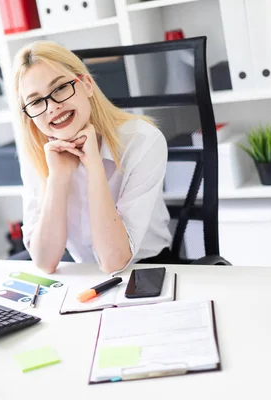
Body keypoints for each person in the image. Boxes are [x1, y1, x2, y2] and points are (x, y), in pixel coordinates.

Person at [12, 40, 173, 275]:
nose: (52, 108)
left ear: (86, 84)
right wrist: (57, 178)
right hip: (85, 275)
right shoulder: (36, 153)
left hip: (149, 270)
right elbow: (45, 262)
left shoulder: (143, 141)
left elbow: (114, 262)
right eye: (36, 101)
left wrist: (94, 166)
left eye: (59, 88)